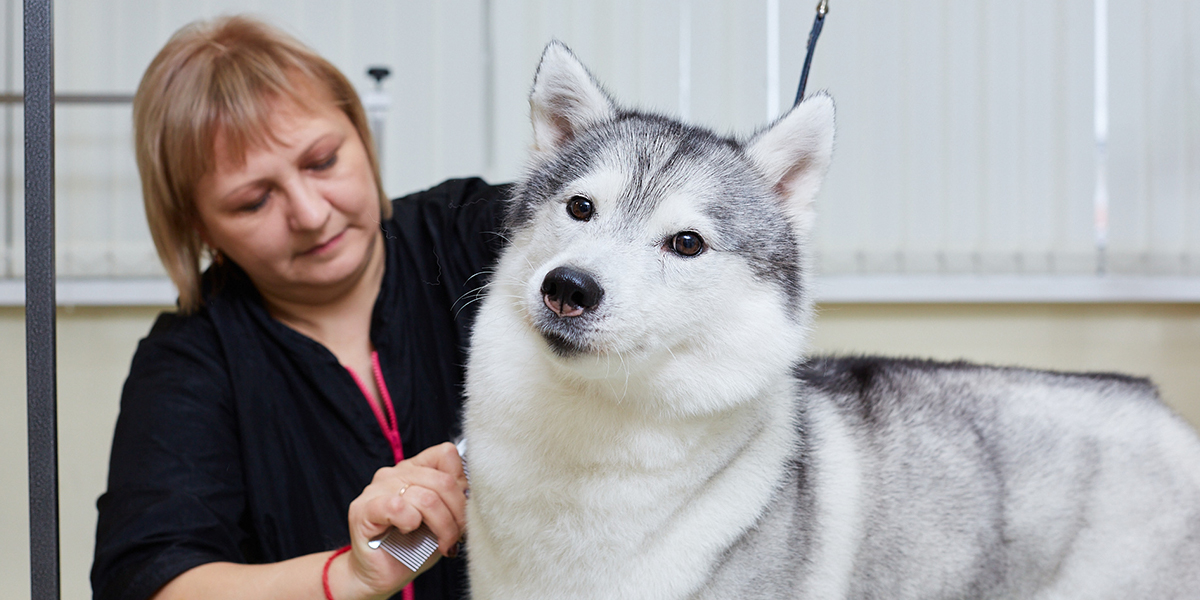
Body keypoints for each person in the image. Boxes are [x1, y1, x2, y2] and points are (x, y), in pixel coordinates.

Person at [91, 15, 507, 600]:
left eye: (322, 161)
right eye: (254, 201)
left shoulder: (480, 235)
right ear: (200, 228)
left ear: (359, 132)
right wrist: (351, 576)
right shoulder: (189, 361)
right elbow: (152, 581)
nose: (310, 214)